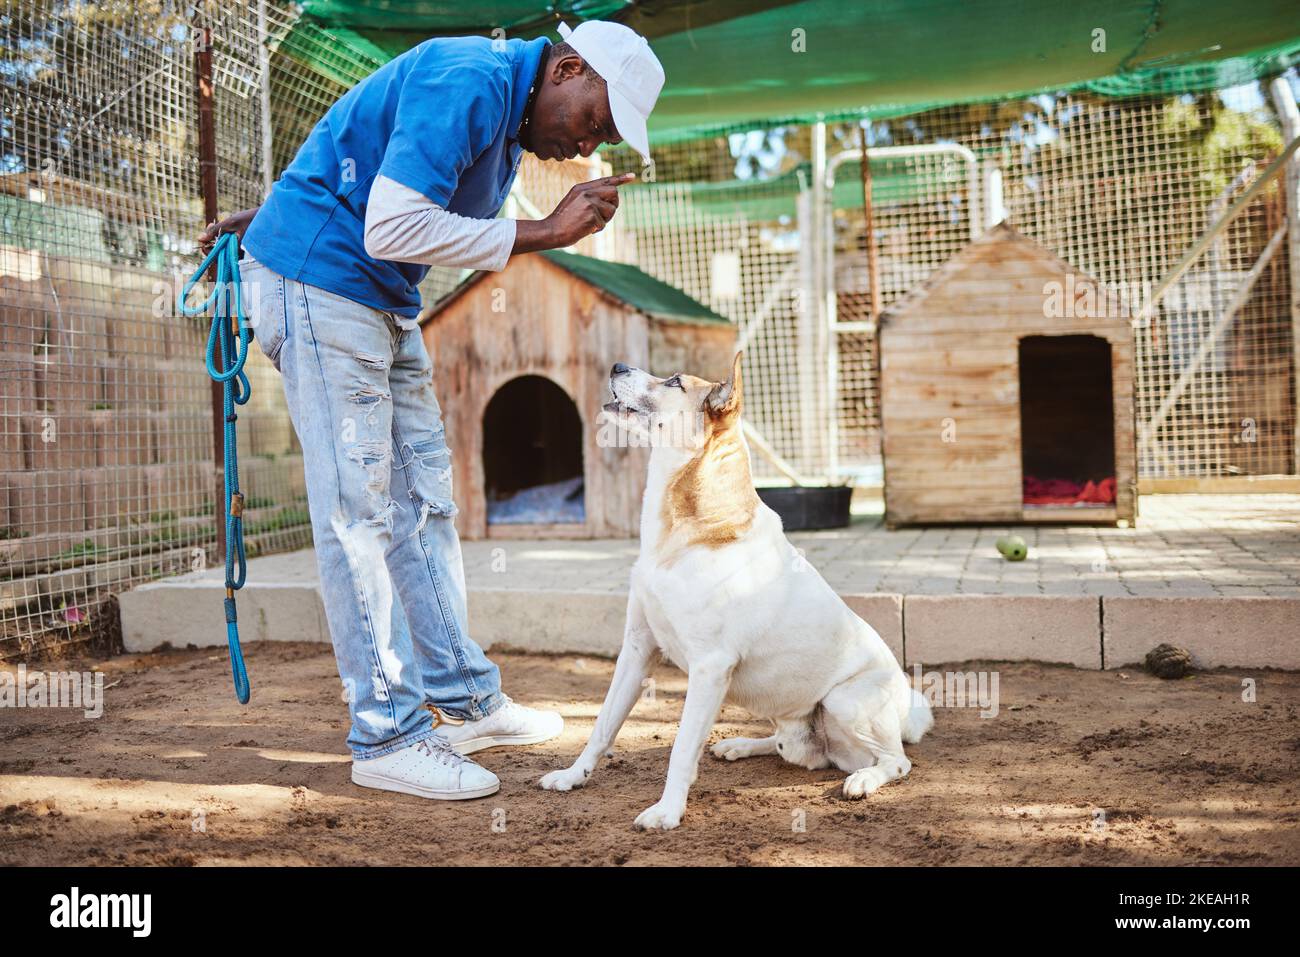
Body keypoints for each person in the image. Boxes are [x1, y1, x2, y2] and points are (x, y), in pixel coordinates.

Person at [197, 20, 665, 800]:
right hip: (325, 285)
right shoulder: (471, 80)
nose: (588, 146)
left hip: (375, 294)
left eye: (607, 138)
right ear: (569, 68)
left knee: (424, 505)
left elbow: (364, 146)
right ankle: (386, 733)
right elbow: (391, 224)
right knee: (361, 514)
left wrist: (289, 203)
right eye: (594, 121)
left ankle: (466, 698)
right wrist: (544, 231)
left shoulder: (510, 114)